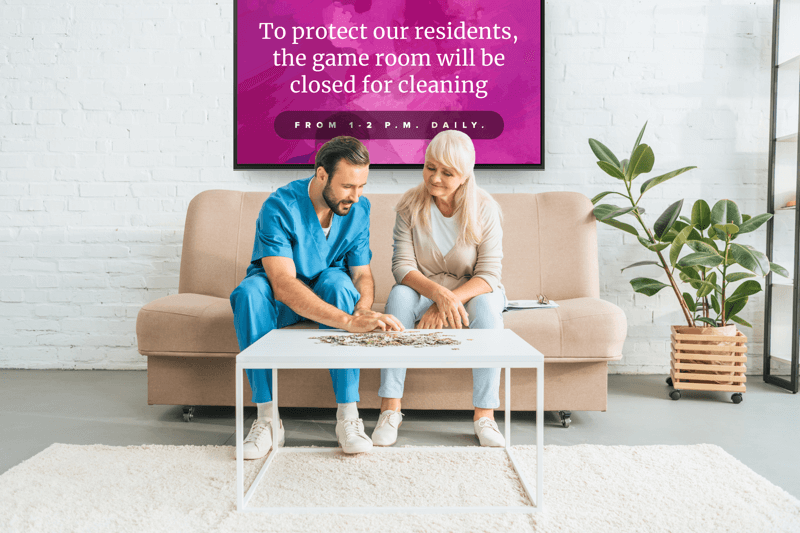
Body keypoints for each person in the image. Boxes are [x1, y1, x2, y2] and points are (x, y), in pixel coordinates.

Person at [230, 136, 404, 460]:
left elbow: (361, 274)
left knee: (339, 286)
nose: (356, 195)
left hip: (329, 291)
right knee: (248, 294)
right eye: (348, 186)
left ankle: (348, 417)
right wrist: (348, 321)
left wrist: (362, 310)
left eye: (362, 185)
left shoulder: (358, 208)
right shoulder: (279, 206)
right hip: (280, 300)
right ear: (322, 174)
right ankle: (267, 420)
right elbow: (282, 283)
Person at [372, 130, 507, 448]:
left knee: (487, 309)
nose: (435, 178)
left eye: (448, 172)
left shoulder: (484, 208)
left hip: (474, 291)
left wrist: (446, 301)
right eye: (431, 167)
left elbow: (488, 275)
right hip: (423, 289)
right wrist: (437, 295)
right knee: (398, 296)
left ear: (464, 176)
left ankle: (484, 416)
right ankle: (390, 409)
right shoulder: (409, 204)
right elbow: (402, 267)